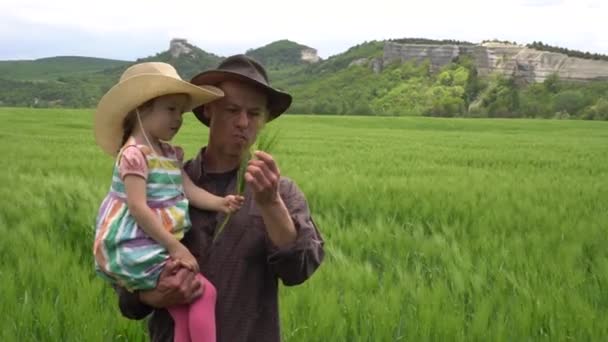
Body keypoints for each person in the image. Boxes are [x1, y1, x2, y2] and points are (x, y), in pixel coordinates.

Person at [114, 55, 325, 342]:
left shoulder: (281, 192)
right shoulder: (161, 183)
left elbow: (298, 269)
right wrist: (151, 296)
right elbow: (125, 277)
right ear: (209, 110)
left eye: (254, 114)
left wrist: (270, 203)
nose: (242, 122)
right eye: (231, 110)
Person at [93, 62, 244, 342]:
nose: (178, 119)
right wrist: (176, 248)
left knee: (184, 308)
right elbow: (138, 208)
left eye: (181, 111)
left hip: (155, 244)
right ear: (142, 108)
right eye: (171, 109)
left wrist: (221, 203)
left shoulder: (169, 154)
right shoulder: (134, 156)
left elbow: (187, 189)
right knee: (204, 293)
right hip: (136, 247)